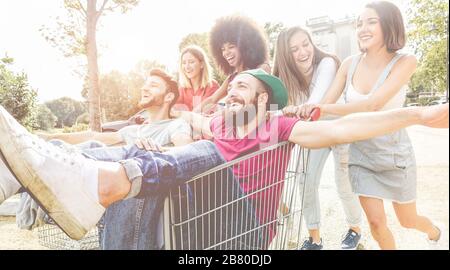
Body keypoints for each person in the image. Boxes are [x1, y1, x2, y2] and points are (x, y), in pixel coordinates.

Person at [0, 69, 447, 248]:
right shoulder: (209, 125)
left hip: (244, 229)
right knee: (133, 151)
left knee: (202, 154)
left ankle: (105, 178)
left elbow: (343, 129)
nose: (231, 91)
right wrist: (155, 144)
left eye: (242, 88)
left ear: (263, 100)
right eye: (230, 86)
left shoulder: (277, 128)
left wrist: (420, 113)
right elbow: (167, 129)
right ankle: (18, 173)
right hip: (199, 220)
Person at [286, 1, 446, 249]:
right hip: (359, 154)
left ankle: (433, 230)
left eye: (371, 21)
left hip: (394, 154)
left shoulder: (406, 61)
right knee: (376, 224)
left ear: (389, 24)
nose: (362, 28)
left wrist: (323, 108)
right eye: (359, 23)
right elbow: (323, 105)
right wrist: (301, 110)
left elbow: (373, 104)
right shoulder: (349, 64)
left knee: (407, 220)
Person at [0, 68, 194, 250]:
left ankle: (29, 181)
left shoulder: (175, 126)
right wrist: (48, 138)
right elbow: (93, 136)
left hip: (147, 197)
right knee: (93, 147)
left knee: (133, 158)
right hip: (120, 200)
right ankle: (27, 170)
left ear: (169, 96)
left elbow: (186, 151)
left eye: (153, 85)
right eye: (145, 84)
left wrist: (157, 151)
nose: (144, 87)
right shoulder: (134, 130)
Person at [273, 26, 362, 250]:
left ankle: (355, 229)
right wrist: (281, 111)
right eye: (294, 49)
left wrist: (295, 110)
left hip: (338, 126)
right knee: (305, 180)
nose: (303, 52)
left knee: (344, 182)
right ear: (285, 55)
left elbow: (316, 99)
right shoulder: (283, 78)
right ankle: (315, 238)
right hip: (312, 130)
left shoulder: (327, 63)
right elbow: (273, 108)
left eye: (306, 44)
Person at [193, 15, 271, 113]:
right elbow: (212, 99)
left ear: (245, 46)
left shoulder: (262, 68)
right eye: (223, 49)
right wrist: (190, 115)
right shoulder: (232, 77)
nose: (226, 53)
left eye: (231, 47)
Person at [174, 45, 220, 111]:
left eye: (191, 62)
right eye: (184, 63)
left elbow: (207, 112)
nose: (187, 67)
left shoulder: (212, 86)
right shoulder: (182, 89)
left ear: (202, 64)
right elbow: (174, 111)